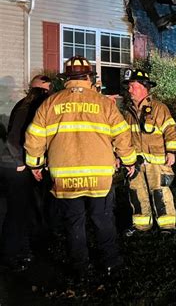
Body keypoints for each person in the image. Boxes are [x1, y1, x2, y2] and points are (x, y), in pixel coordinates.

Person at [24, 56, 136, 279]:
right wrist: (129, 161)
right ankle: (111, 264)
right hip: (100, 176)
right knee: (103, 219)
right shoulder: (105, 103)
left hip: (65, 177)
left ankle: (81, 267)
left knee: (74, 222)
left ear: (67, 78)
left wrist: (35, 164)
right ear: (88, 77)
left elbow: (34, 137)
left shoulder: (50, 103)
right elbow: (122, 136)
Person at [0, 75, 51, 271]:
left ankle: (24, 250)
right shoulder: (32, 106)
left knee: (25, 211)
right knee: (17, 213)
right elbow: (15, 139)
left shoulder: (24, 103)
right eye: (46, 91)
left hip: (15, 165)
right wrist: (22, 163)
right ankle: (11, 256)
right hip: (16, 168)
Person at [122, 69, 176, 235]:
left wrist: (171, 151)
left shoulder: (159, 109)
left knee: (160, 192)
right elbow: (123, 136)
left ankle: (167, 226)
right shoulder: (128, 112)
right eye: (129, 87)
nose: (129, 90)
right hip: (136, 162)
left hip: (157, 161)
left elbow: (170, 130)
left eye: (132, 86)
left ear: (144, 87)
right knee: (137, 193)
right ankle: (141, 225)